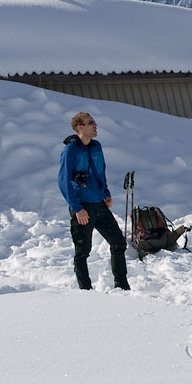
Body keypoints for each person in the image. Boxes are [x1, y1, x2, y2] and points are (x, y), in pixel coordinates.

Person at [58, 111, 129, 291]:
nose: (95, 126)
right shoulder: (70, 150)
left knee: (118, 242)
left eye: (95, 122)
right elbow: (63, 181)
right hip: (82, 207)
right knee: (82, 252)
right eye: (91, 123)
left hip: (99, 204)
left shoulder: (96, 146)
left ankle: (122, 286)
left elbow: (101, 173)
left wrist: (106, 194)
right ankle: (86, 291)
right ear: (80, 127)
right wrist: (77, 208)